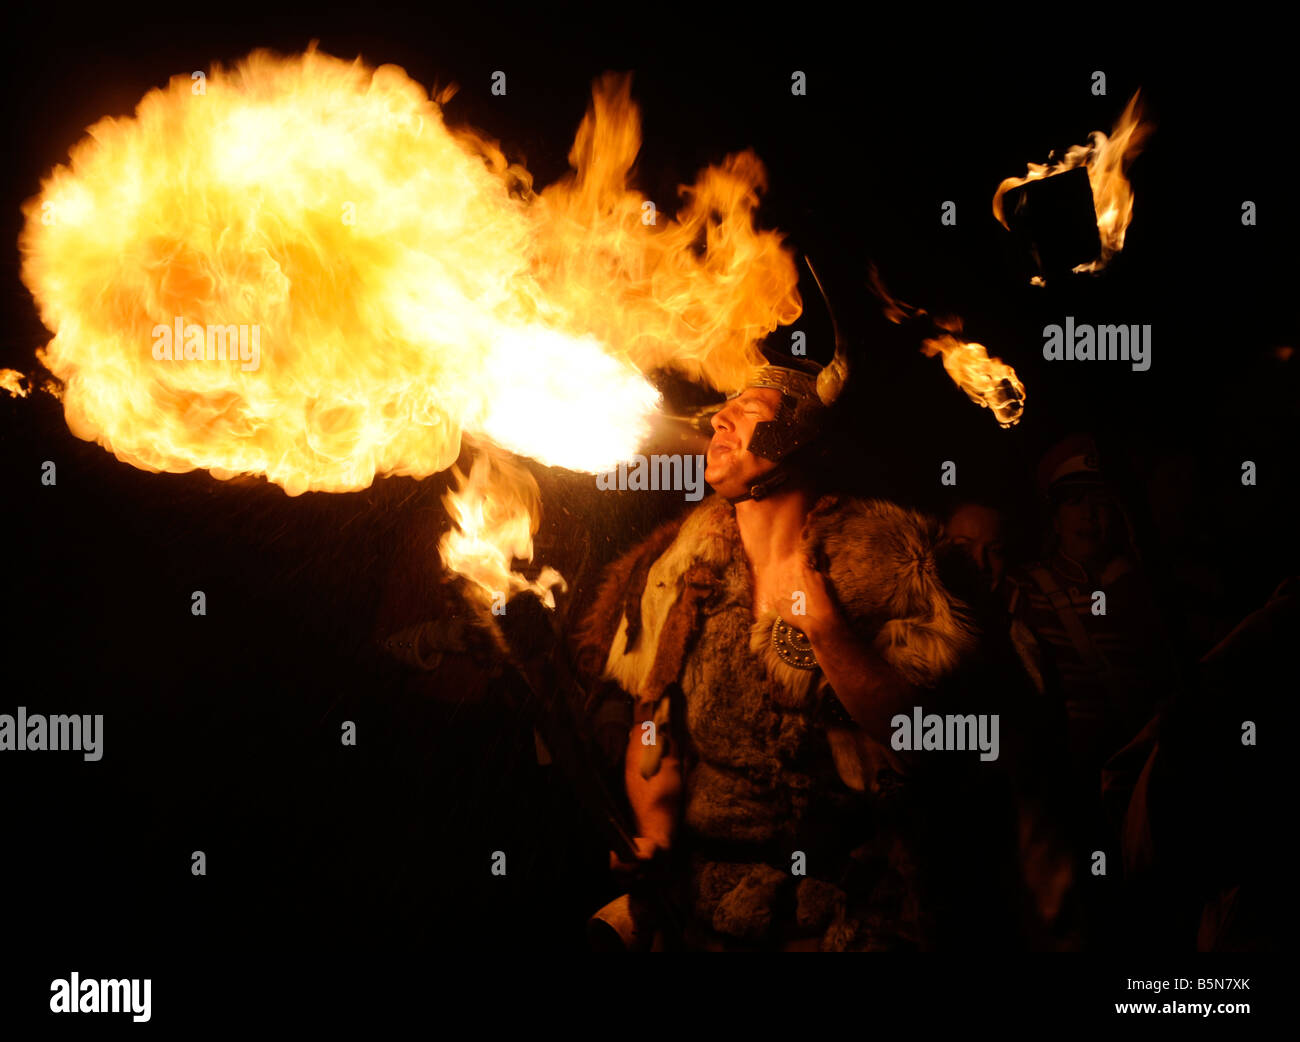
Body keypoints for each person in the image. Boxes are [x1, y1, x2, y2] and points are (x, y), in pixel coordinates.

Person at [572, 345, 1032, 950]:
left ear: (801, 437)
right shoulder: (680, 572)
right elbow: (654, 729)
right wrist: (654, 829)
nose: (720, 421)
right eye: (723, 410)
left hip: (862, 913)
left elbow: (933, 745)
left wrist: (829, 631)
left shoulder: (896, 570)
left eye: (750, 410)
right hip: (720, 911)